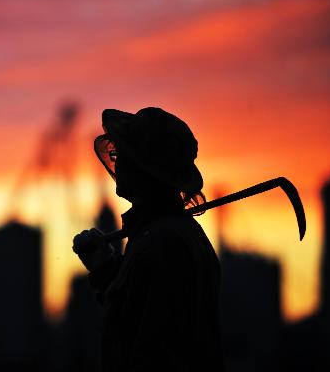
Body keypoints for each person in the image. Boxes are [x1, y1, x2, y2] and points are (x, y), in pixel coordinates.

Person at [73, 107, 223, 371]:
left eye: (124, 155)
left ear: (145, 169)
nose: (116, 160)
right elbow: (136, 310)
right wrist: (107, 269)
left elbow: (151, 351)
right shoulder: (164, 235)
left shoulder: (161, 244)